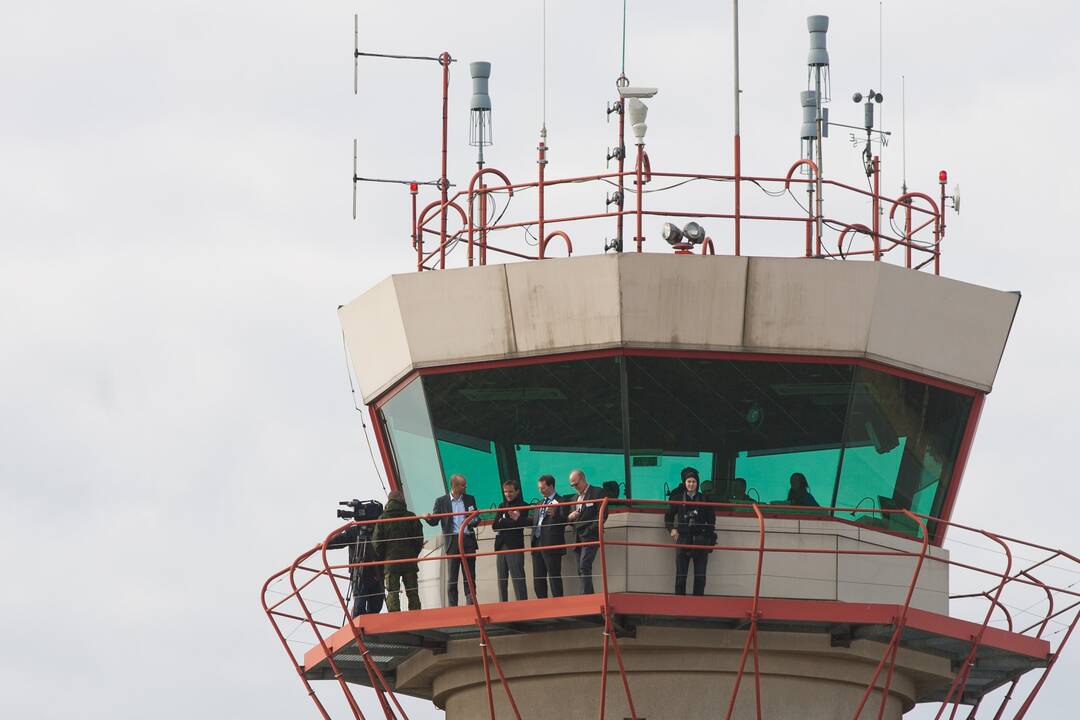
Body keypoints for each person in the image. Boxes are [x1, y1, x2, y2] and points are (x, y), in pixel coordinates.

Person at [425, 474, 480, 606]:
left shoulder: (470, 499)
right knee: (452, 575)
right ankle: (453, 605)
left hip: (468, 539)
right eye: (463, 484)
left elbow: (475, 517)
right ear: (454, 486)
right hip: (452, 541)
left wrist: (476, 520)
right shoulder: (441, 501)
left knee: (470, 574)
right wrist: (427, 517)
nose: (465, 486)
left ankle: (471, 602)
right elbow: (434, 521)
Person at [326, 501, 385, 617]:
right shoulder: (355, 531)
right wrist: (325, 544)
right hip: (360, 573)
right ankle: (359, 628)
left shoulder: (380, 531)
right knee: (359, 607)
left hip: (377, 573)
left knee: (376, 607)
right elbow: (340, 540)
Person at [664, 467, 717, 596]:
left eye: (693, 482)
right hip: (683, 538)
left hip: (700, 539)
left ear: (697, 483)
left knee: (700, 576)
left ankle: (698, 604)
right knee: (681, 576)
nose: (691, 484)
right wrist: (672, 530)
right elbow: (668, 517)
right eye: (689, 482)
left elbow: (711, 521)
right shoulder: (677, 498)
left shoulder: (705, 499)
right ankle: (679, 604)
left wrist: (708, 538)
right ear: (684, 483)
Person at [371, 491, 423, 612]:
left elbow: (377, 543)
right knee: (412, 591)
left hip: (390, 563)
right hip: (409, 561)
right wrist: (413, 554)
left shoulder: (382, 518)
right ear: (402, 501)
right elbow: (418, 540)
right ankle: (416, 614)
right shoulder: (411, 516)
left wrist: (384, 557)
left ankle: (394, 616)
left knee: (392, 591)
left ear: (389, 501)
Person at [567, 469, 607, 595]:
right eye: (572, 485)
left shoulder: (597, 492)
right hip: (577, 538)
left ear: (583, 479)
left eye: (576, 484)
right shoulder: (574, 498)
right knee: (581, 568)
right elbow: (569, 520)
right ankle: (589, 595)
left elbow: (602, 515)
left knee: (584, 565)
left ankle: (585, 596)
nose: (574, 487)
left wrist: (590, 530)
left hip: (590, 536)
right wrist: (570, 517)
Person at [491, 480, 531, 602]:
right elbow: (494, 526)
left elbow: (517, 524)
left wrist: (503, 521)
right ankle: (503, 604)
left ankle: (522, 605)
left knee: (518, 577)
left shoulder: (523, 505)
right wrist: (507, 521)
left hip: (514, 545)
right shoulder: (502, 505)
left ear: (517, 491)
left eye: (510, 491)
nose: (508, 494)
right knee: (502, 579)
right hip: (501, 545)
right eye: (505, 491)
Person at [530, 474, 568, 598]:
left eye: (543, 488)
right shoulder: (540, 503)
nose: (540, 491)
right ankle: (542, 604)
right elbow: (534, 522)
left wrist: (555, 515)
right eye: (539, 488)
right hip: (537, 543)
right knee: (538, 578)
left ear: (551, 486)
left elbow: (564, 522)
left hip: (551, 544)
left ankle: (558, 604)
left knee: (554, 576)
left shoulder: (561, 501)